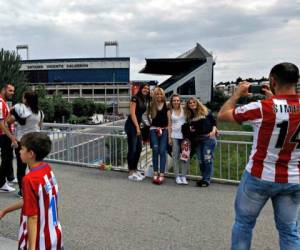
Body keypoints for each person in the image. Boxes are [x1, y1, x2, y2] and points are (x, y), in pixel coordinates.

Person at [217, 62, 300, 250]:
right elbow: (288, 112)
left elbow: (223, 115)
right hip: (294, 177)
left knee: (243, 224)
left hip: (259, 176)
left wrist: (237, 94)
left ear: (272, 81)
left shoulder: (262, 107)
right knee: (289, 231)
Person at [0, 132, 63, 250]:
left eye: (22, 148)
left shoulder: (30, 179)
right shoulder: (47, 169)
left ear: (31, 154)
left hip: (40, 240)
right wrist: (5, 210)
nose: (19, 151)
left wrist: (31, 247)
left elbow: (32, 217)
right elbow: (32, 201)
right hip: (54, 234)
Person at [7, 91, 44, 197]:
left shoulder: (21, 111)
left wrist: (11, 111)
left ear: (26, 99)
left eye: (23, 97)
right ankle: (35, 188)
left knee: (21, 167)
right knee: (34, 166)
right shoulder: (40, 112)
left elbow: (9, 121)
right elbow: (40, 126)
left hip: (22, 141)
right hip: (35, 141)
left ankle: (22, 190)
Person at [183, 97, 218, 187]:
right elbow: (189, 128)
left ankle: (207, 180)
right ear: (188, 105)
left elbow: (214, 122)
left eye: (193, 102)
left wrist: (214, 131)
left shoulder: (206, 111)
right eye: (190, 103)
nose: (192, 104)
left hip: (208, 139)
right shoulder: (190, 116)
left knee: (207, 160)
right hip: (197, 141)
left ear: (197, 103)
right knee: (201, 161)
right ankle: (203, 178)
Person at [125, 83, 150, 181]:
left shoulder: (144, 99)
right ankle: (131, 171)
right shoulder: (135, 98)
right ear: (141, 88)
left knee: (139, 148)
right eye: (144, 88)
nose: (146, 90)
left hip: (137, 125)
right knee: (132, 149)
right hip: (131, 125)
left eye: (148, 89)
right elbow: (132, 114)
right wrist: (137, 127)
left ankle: (135, 168)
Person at [167, 94, 189, 184]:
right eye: (174, 100)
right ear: (171, 102)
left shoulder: (184, 110)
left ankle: (184, 176)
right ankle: (177, 176)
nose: (176, 102)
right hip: (174, 136)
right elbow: (169, 125)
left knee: (185, 157)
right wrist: (169, 138)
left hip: (184, 137)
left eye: (177, 100)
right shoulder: (169, 112)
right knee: (175, 157)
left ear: (180, 101)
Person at [0, 83, 18, 192]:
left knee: (7, 158)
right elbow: (1, 124)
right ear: (4, 90)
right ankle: (2, 184)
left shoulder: (4, 103)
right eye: (10, 90)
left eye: (13, 91)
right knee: (6, 159)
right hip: (3, 135)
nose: (12, 93)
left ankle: (6, 180)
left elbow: (6, 121)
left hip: (4, 134)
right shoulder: (1, 103)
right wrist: (11, 137)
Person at [150, 87, 169, 184]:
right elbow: (145, 116)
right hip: (153, 130)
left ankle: (162, 173)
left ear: (163, 95)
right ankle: (155, 172)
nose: (159, 96)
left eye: (160, 94)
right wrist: (149, 125)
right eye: (157, 94)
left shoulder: (167, 105)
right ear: (154, 95)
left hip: (164, 130)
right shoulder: (151, 105)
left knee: (162, 151)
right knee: (155, 149)